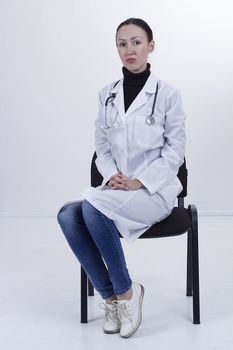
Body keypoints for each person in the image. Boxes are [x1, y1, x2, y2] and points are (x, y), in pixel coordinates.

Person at [57, 18, 186, 338]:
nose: (129, 50)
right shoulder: (107, 95)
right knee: (67, 215)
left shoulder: (168, 94)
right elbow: (101, 147)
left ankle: (127, 292)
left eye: (136, 42)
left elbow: (175, 151)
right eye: (122, 44)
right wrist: (113, 175)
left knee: (91, 208)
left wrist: (139, 182)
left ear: (151, 46)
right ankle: (111, 298)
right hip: (116, 189)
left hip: (154, 192)